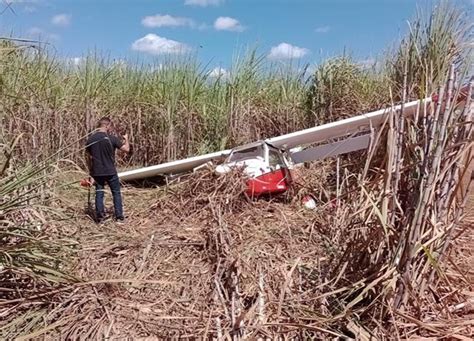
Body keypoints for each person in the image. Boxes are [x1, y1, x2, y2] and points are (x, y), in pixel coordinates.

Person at [85, 117, 130, 223]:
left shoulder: (90, 140)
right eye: (110, 126)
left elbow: (88, 158)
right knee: (116, 193)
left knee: (99, 193)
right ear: (107, 125)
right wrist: (126, 139)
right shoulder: (111, 138)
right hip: (110, 171)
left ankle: (100, 218)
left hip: (97, 172)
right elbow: (126, 149)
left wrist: (91, 173)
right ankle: (119, 217)